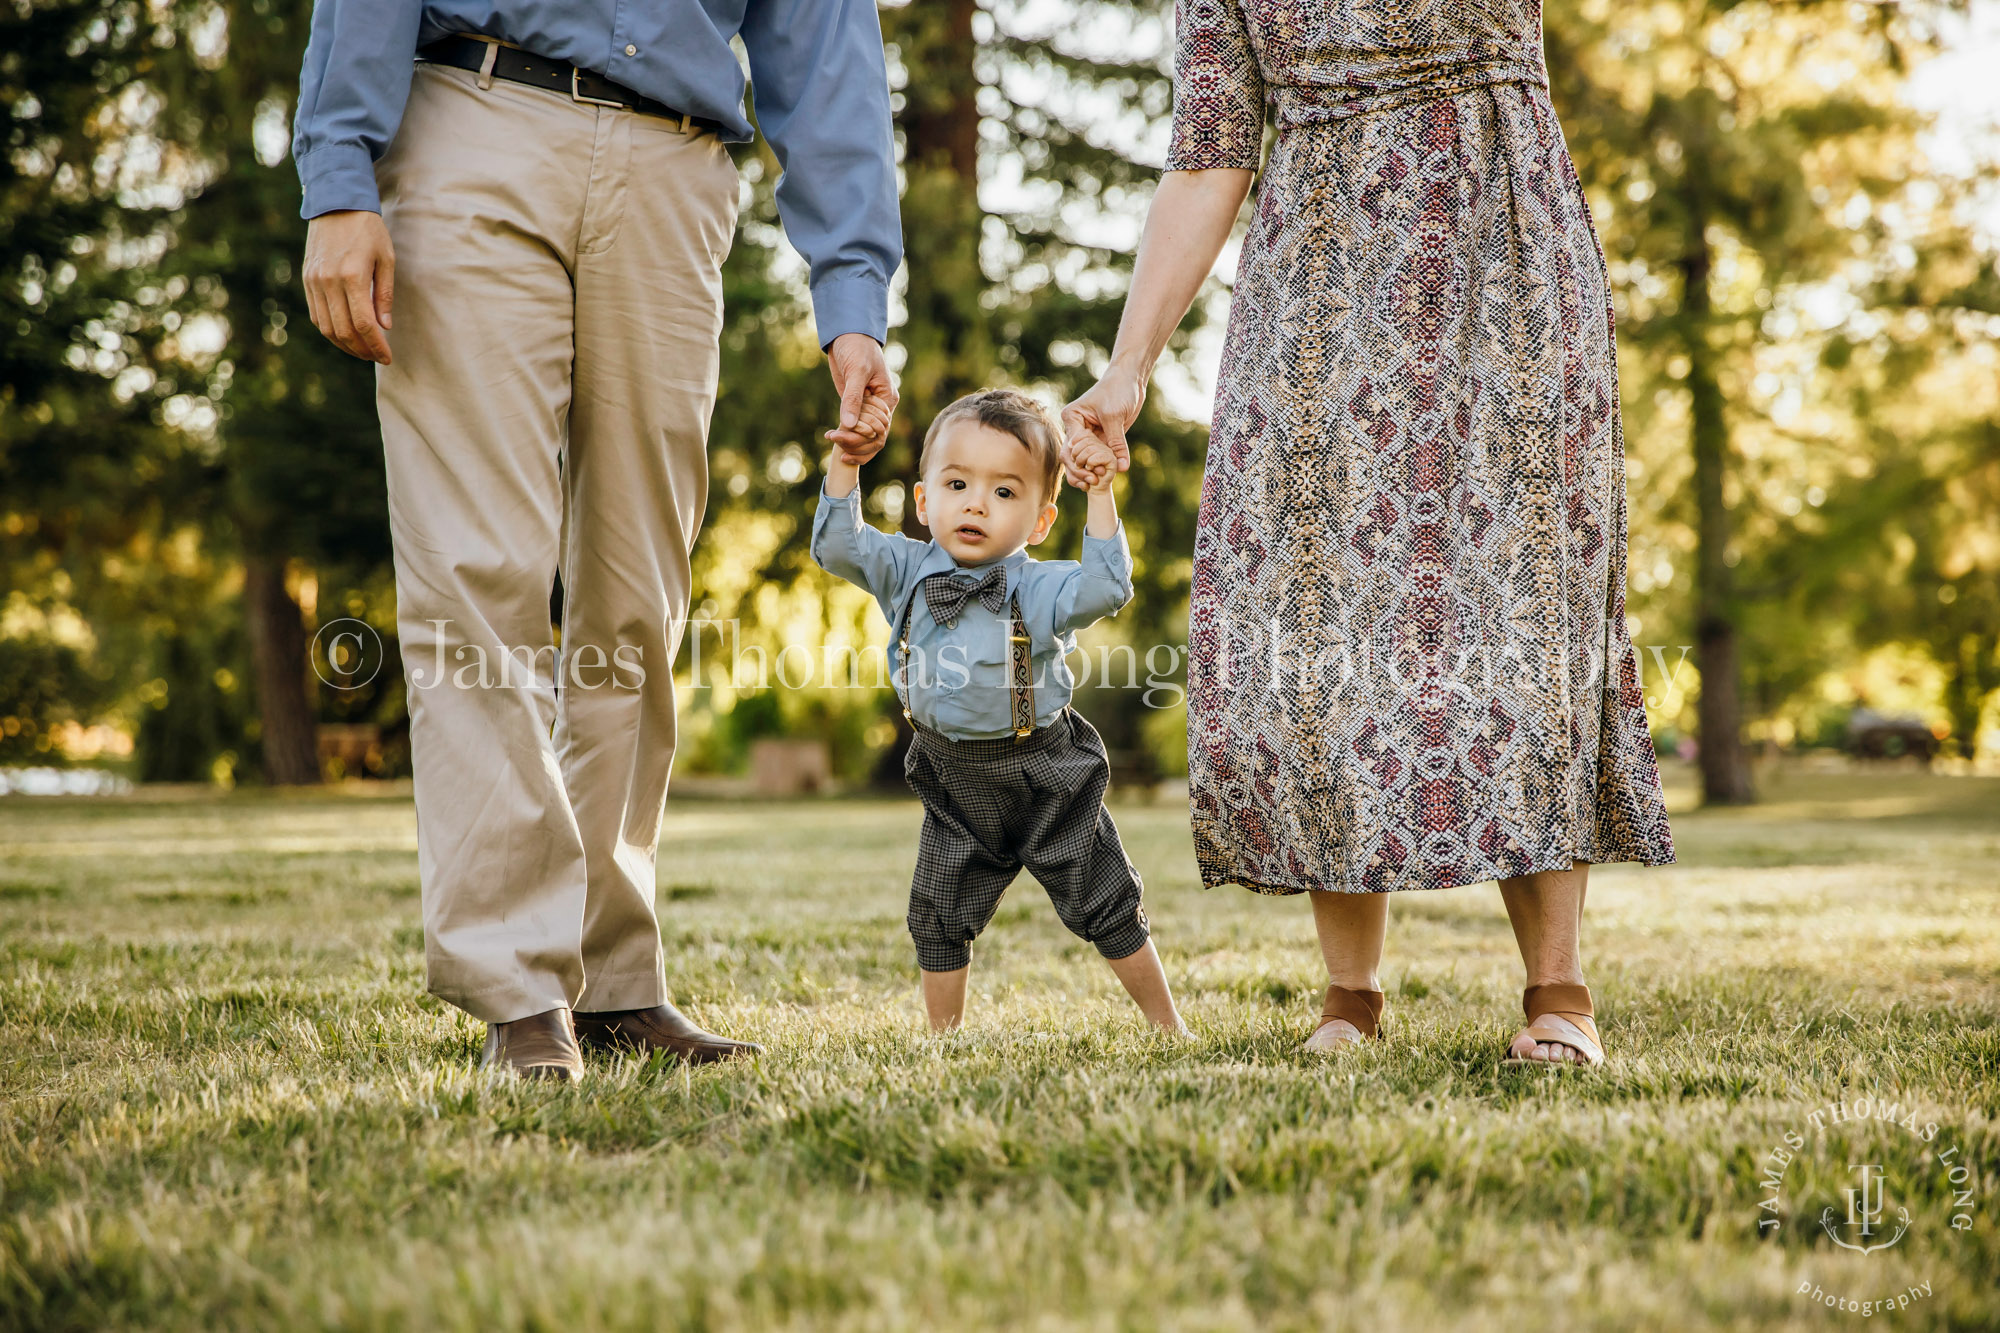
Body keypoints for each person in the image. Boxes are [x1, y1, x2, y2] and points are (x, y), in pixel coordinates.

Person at [292, 1, 902, 1080]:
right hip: (477, 118)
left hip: (677, 167)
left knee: (635, 593)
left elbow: (825, 43)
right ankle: (520, 987)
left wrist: (850, 296)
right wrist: (338, 171)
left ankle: (614, 976)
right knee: (479, 573)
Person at [1062, 0, 1675, 1066]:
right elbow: (1207, 155)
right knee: (1318, 618)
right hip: (1314, 290)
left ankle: (1557, 990)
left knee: (1521, 608)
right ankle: (1348, 993)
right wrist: (1128, 366)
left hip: (1502, 263)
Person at [811, 390, 1184, 1034]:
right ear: (925, 501)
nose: (977, 503)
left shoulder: (1039, 587)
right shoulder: (903, 569)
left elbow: (1105, 586)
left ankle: (1166, 1023)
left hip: (1044, 769)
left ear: (1040, 521)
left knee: (1104, 894)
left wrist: (1099, 494)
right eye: (957, 484)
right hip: (951, 772)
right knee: (939, 905)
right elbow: (838, 545)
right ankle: (942, 1038)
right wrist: (847, 464)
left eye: (1006, 492)